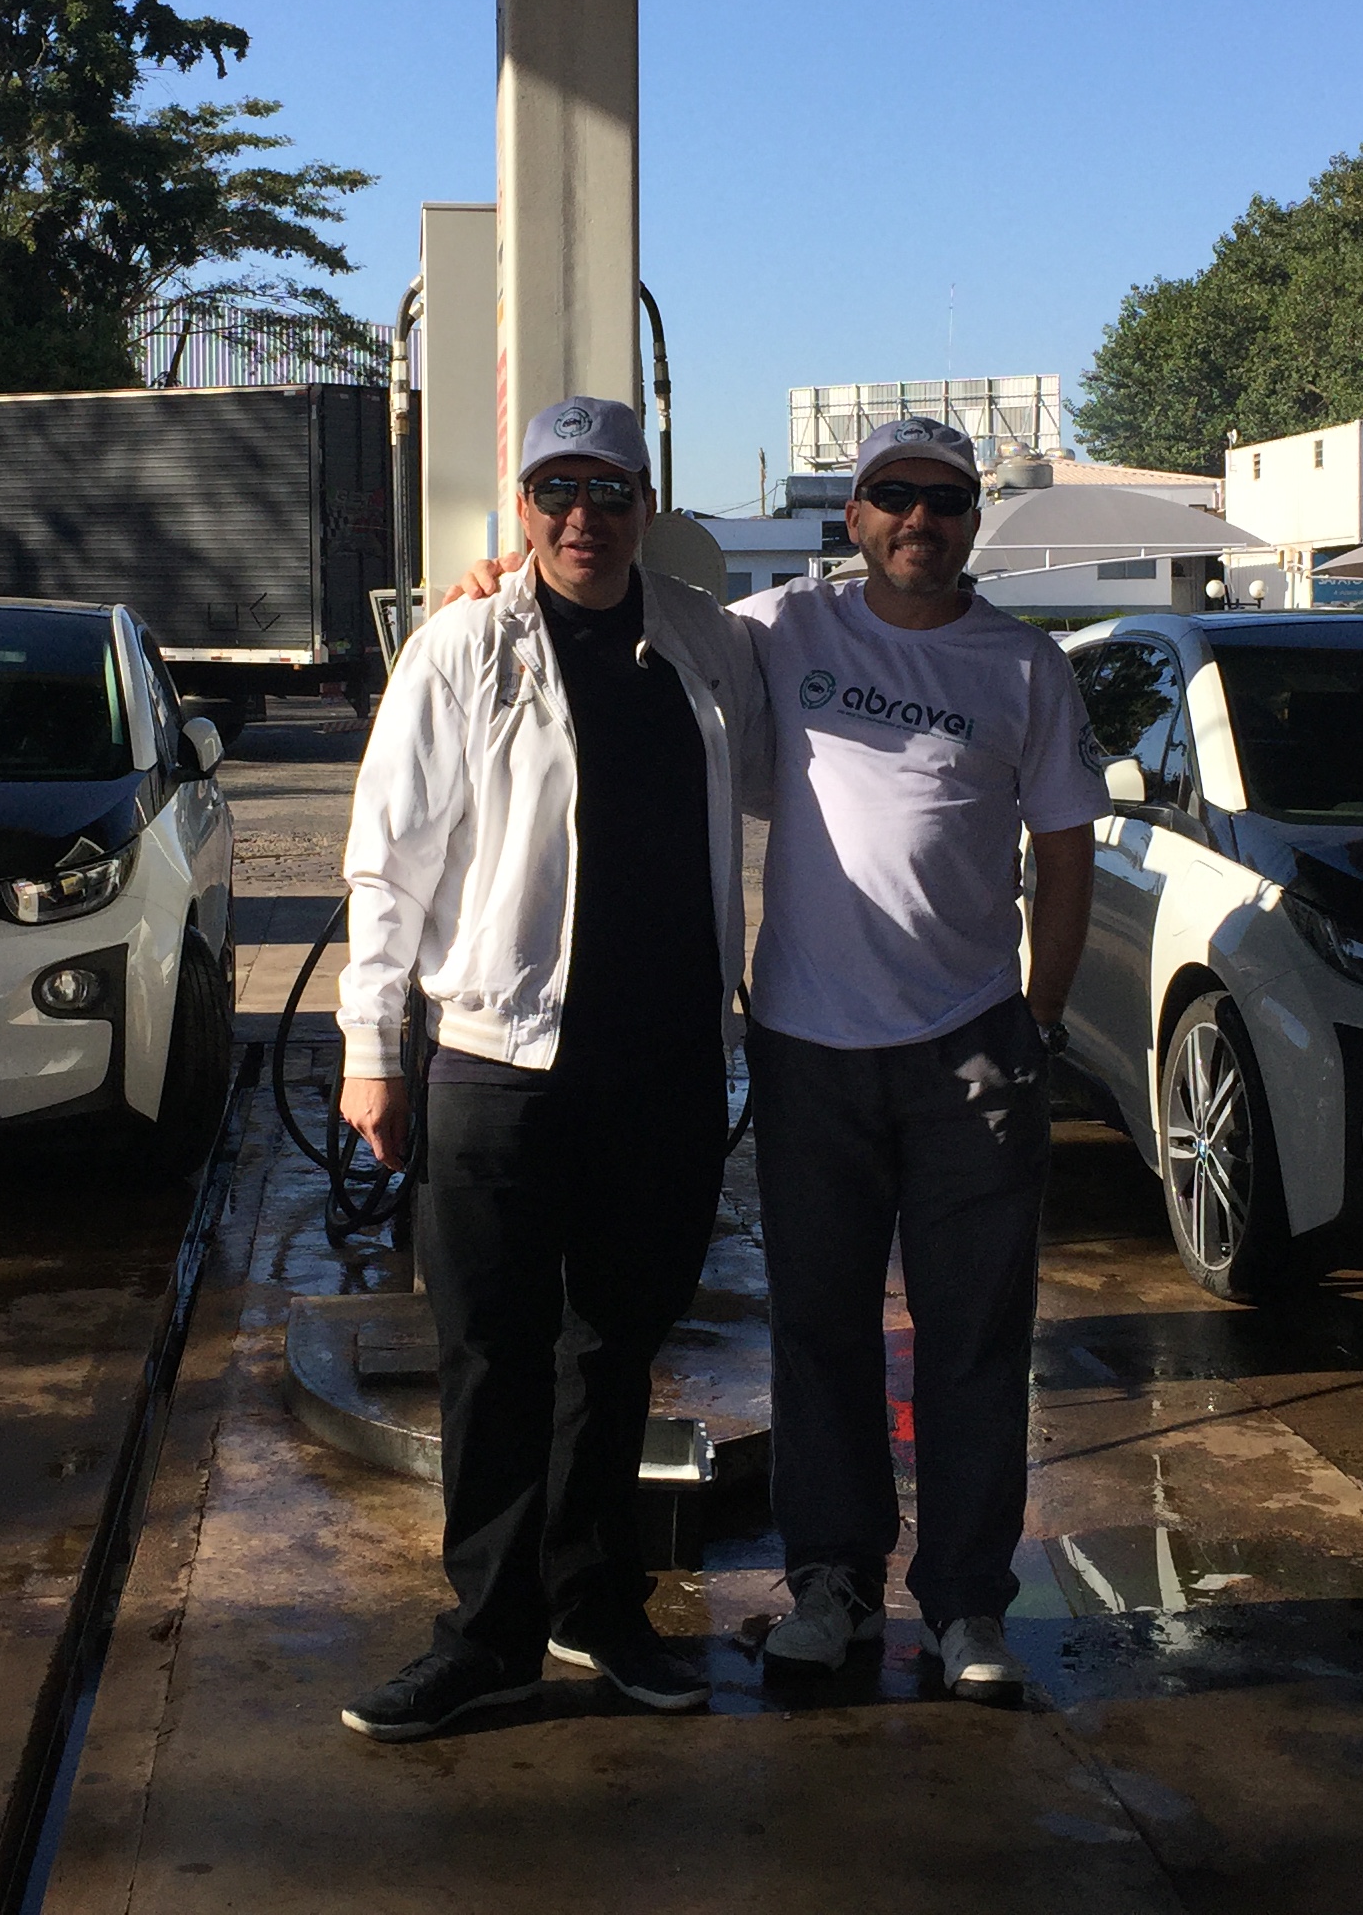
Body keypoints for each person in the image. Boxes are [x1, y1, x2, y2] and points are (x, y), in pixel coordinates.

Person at [444, 412, 1104, 1706]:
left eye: (946, 500)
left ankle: (968, 1602)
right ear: (852, 517)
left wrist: (1038, 1017)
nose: (919, 519)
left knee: (975, 1339)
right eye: (893, 495)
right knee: (818, 1334)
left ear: (973, 521)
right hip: (808, 1047)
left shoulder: (1026, 667)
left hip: (971, 1049)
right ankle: (832, 1587)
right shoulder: (778, 628)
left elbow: (1068, 845)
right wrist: (496, 578)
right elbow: (615, 608)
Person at [333, 395, 771, 1744]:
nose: (586, 516)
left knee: (618, 1349)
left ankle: (596, 1603)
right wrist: (369, 1049)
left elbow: (832, 670)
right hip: (498, 1063)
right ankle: (486, 1634)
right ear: (522, 508)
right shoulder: (462, 644)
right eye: (558, 491)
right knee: (491, 1355)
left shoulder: (706, 639)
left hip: (667, 1064)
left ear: (649, 505)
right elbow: (387, 860)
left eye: (611, 490)